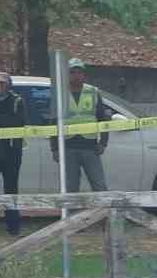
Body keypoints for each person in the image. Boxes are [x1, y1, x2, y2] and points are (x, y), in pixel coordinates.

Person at [47, 57, 112, 193]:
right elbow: (53, 123)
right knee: (70, 190)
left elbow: (103, 119)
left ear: (84, 75)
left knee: (99, 186)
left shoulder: (93, 92)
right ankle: (72, 215)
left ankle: (102, 214)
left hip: (90, 148)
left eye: (79, 72)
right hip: (67, 148)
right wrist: (54, 148)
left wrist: (103, 143)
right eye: (72, 72)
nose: (76, 76)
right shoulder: (59, 94)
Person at [0, 72, 27, 235]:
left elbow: (18, 122)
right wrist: (1, 120)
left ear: (5, 86)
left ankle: (13, 227)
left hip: (11, 153)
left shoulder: (17, 100)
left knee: (11, 189)